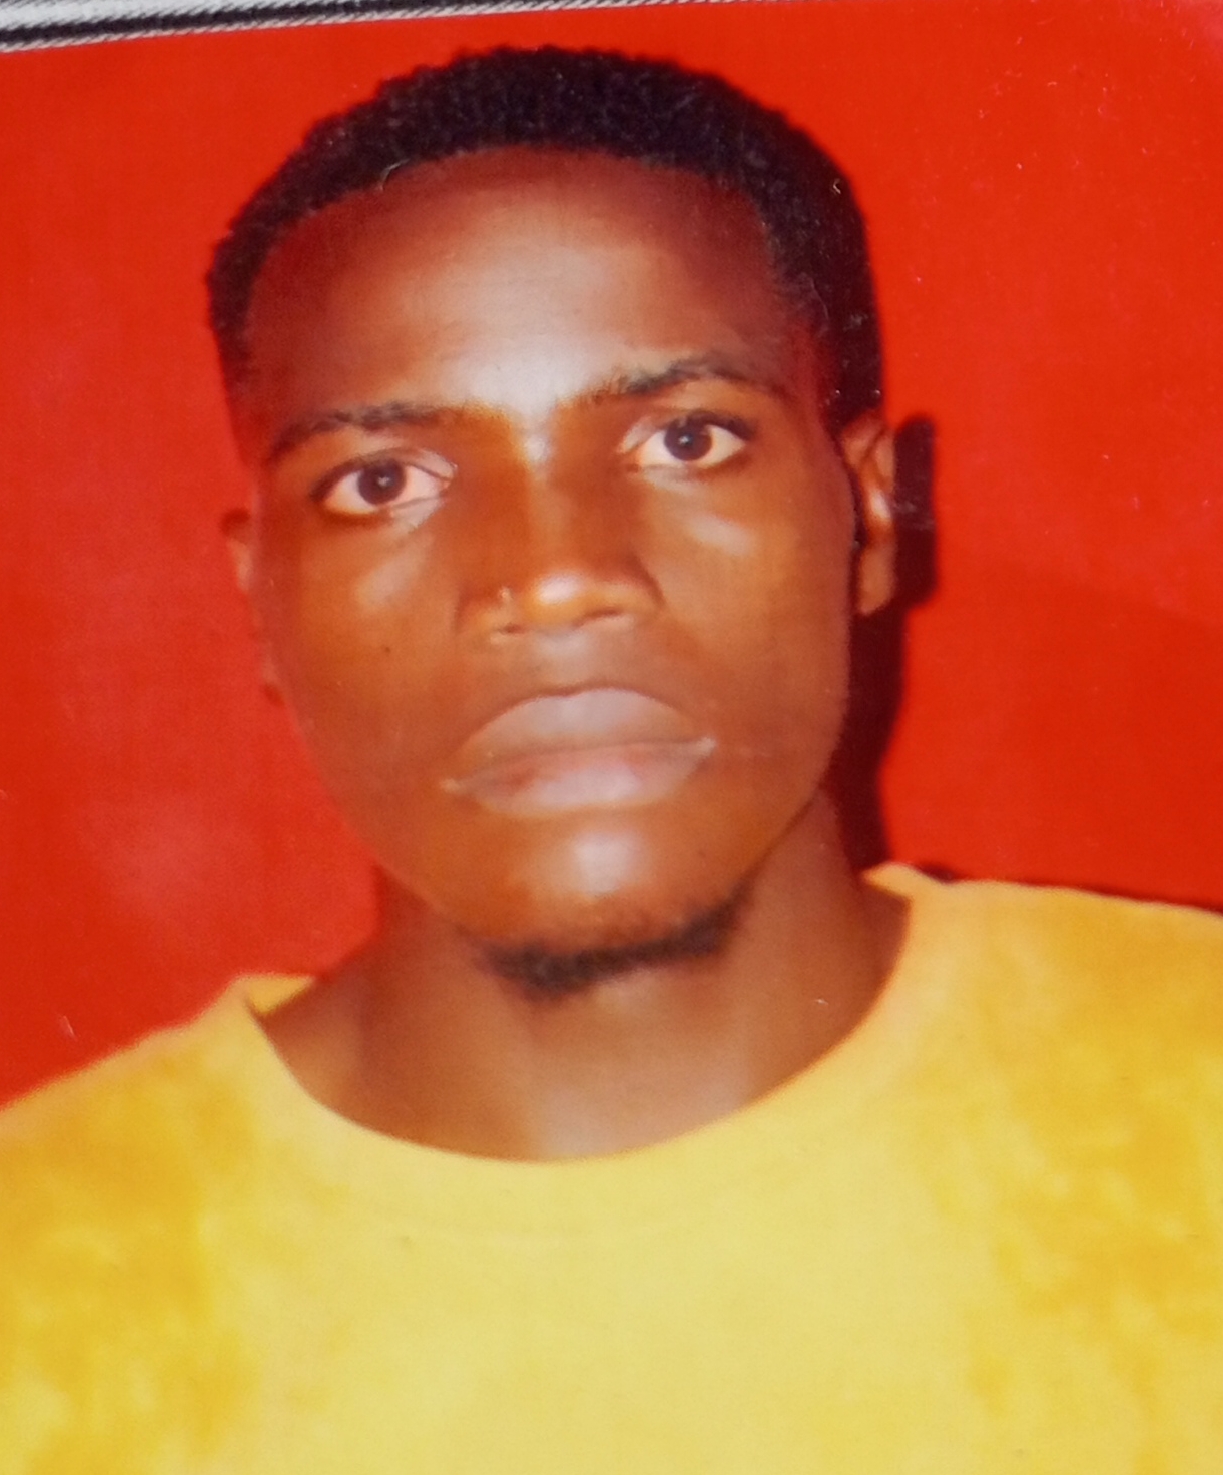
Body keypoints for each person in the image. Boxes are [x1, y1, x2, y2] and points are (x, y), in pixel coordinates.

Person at [2, 45, 1221, 1473]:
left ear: (873, 519)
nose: (555, 578)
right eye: (384, 481)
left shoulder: (1190, 1092)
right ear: (257, 601)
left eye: (686, 438)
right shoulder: (44, 1291)